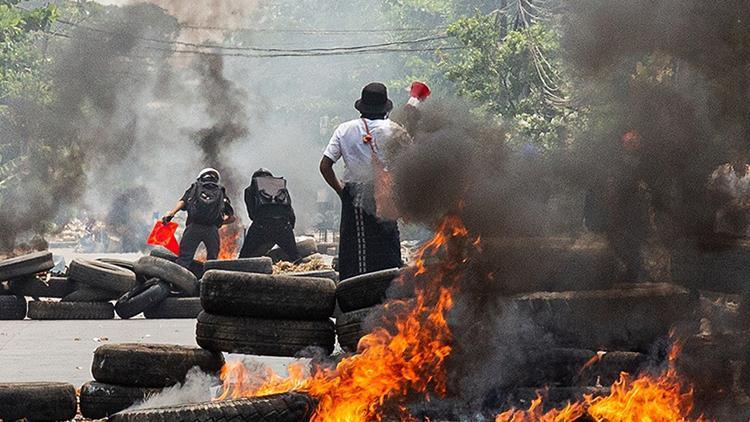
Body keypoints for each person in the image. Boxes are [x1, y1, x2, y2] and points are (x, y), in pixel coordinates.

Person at [319, 82, 410, 280]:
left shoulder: (344, 130)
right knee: (388, 244)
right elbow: (409, 168)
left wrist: (341, 191)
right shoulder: (396, 131)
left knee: (357, 250)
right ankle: (389, 293)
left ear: (362, 107)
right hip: (387, 195)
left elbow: (325, 166)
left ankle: (355, 293)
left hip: (355, 196)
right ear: (385, 107)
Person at [162, 168, 235, 268]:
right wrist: (219, 223)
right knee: (212, 262)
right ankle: (209, 281)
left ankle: (177, 282)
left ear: (200, 178)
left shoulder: (195, 187)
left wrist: (171, 213)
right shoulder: (220, 191)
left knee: (184, 259)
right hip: (212, 230)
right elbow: (231, 218)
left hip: (193, 227)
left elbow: (183, 201)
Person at [238, 168, 300, 261]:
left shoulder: (250, 189)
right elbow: (290, 211)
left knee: (243, 259)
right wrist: (288, 229)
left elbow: (252, 214)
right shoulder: (281, 187)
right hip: (283, 226)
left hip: (261, 226)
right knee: (296, 258)